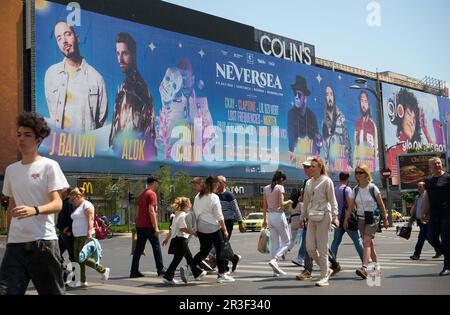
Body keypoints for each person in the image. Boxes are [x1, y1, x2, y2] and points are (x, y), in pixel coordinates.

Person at [0, 112, 69, 295]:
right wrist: (9, 235)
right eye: (19, 134)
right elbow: (13, 208)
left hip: (43, 242)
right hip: (15, 244)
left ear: (38, 139)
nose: (21, 139)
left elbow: (57, 204)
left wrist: (34, 210)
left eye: (27, 135)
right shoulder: (11, 171)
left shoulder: (49, 166)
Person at [45, 21, 107, 131]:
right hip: (59, 146)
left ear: (77, 39)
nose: (64, 41)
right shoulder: (51, 74)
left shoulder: (97, 79)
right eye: (59, 38)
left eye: (67, 34)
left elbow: (101, 124)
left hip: (86, 147)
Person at [156, 59, 214, 161]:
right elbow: (163, 134)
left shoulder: (202, 103)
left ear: (193, 78)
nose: (183, 82)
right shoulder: (172, 102)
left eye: (185, 77)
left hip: (197, 160)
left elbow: (211, 134)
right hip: (175, 160)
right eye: (180, 78)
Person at [109, 32, 156, 156]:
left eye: (124, 53)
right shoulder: (124, 87)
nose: (120, 59)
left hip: (130, 159)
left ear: (133, 55)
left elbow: (147, 133)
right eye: (118, 53)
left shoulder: (138, 90)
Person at [299, 157, 339, 287]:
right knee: (310, 248)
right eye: (309, 166)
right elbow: (305, 201)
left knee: (322, 248)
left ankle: (324, 277)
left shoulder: (326, 181)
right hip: (312, 216)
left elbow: (332, 200)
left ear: (320, 167)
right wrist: (301, 217)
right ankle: (326, 269)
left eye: (313, 166)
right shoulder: (309, 183)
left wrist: (335, 216)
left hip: (324, 216)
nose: (310, 168)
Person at [344, 165, 388, 280]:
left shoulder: (372, 188)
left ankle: (364, 267)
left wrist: (386, 219)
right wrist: (346, 219)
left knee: (366, 241)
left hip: (373, 218)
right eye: (357, 173)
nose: (358, 175)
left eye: (361, 172)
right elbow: (351, 206)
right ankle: (376, 270)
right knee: (369, 245)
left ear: (366, 174)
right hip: (361, 219)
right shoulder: (356, 190)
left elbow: (382, 204)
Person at [385, 88, 435, 185]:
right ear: (401, 114)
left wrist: (425, 130)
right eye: (408, 114)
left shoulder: (420, 148)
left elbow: (437, 155)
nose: (412, 121)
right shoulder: (392, 151)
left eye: (414, 118)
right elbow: (395, 182)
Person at [190, 176, 235, 283]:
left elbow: (195, 213)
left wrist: (196, 228)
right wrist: (224, 229)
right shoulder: (214, 197)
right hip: (213, 228)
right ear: (213, 185)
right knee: (221, 251)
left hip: (201, 228)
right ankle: (221, 275)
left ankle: (191, 266)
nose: (217, 187)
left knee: (204, 251)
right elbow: (219, 215)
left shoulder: (198, 196)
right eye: (217, 185)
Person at [69, 187, 110, 287]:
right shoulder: (79, 207)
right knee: (78, 259)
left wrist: (89, 233)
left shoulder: (87, 205)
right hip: (78, 236)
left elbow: (91, 219)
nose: (72, 201)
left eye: (73, 199)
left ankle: (103, 270)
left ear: (79, 196)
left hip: (85, 235)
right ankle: (83, 281)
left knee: (82, 257)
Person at [130, 176, 165, 278]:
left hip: (140, 226)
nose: (158, 185)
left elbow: (137, 210)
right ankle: (160, 269)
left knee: (138, 249)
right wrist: (156, 227)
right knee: (156, 247)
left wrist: (136, 223)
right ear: (154, 182)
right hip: (149, 226)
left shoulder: (141, 195)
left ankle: (134, 271)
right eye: (157, 183)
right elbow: (151, 210)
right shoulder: (152, 194)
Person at [421, 157, 450, 276]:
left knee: (446, 239)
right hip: (433, 213)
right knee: (431, 237)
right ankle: (444, 251)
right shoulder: (428, 180)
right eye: (434, 164)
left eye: (438, 163)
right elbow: (427, 197)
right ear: (430, 167)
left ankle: (447, 266)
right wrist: (423, 212)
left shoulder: (448, 178)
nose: (437, 165)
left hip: (447, 213)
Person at [262, 170, 292, 276]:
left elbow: (264, 206)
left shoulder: (266, 188)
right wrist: (289, 201)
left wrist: (264, 220)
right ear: (281, 179)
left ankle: (275, 271)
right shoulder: (280, 188)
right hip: (279, 215)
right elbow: (281, 203)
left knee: (275, 243)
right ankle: (275, 259)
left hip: (270, 217)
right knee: (287, 242)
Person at [287, 75, 322, 164]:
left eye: (299, 95)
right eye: (295, 94)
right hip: (297, 159)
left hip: (311, 159)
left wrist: (314, 140)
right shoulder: (291, 114)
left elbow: (318, 137)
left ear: (305, 98)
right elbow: (291, 138)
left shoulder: (312, 115)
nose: (296, 97)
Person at [162, 197, 196, 285]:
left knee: (182, 258)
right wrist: (193, 232)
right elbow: (182, 228)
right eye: (190, 203)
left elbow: (171, 229)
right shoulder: (183, 215)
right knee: (184, 258)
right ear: (186, 205)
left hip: (176, 239)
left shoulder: (176, 215)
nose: (191, 204)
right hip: (180, 240)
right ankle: (197, 273)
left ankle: (168, 277)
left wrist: (167, 239)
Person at [331, 172, 364, 261]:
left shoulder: (334, 189)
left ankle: (332, 262)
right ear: (348, 179)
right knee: (357, 241)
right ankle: (365, 261)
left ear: (339, 178)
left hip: (338, 219)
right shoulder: (347, 189)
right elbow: (351, 205)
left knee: (335, 242)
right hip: (348, 219)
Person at [216, 176, 245, 273]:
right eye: (216, 182)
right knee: (220, 245)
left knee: (223, 244)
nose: (217, 183)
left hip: (228, 223)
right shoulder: (214, 195)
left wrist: (240, 223)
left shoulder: (229, 195)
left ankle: (224, 268)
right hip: (217, 223)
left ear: (224, 183)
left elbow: (236, 209)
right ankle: (233, 259)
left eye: (219, 182)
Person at [322, 85, 352, 172]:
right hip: (331, 167)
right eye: (327, 95)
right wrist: (326, 163)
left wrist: (349, 163)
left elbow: (347, 141)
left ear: (334, 97)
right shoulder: (324, 121)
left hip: (343, 163)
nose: (329, 97)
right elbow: (325, 144)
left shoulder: (341, 117)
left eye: (331, 94)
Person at [409, 181, 442, 260]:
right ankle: (440, 250)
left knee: (421, 237)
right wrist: (410, 220)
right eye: (418, 186)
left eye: (420, 186)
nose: (418, 188)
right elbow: (415, 210)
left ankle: (416, 254)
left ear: (424, 187)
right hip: (419, 220)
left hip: (427, 220)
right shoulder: (417, 197)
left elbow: (431, 208)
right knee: (430, 238)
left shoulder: (428, 196)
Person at [354, 91, 378, 172]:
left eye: (365, 101)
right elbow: (355, 145)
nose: (363, 104)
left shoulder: (372, 124)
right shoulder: (357, 123)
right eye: (361, 101)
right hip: (359, 165)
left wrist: (374, 167)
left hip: (369, 166)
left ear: (368, 104)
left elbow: (376, 147)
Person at [56, 187, 76, 262]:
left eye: (62, 191)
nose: (60, 192)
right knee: (57, 253)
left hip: (67, 234)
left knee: (72, 256)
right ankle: (63, 269)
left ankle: (76, 272)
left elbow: (72, 217)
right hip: (62, 233)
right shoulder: (63, 202)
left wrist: (69, 229)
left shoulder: (69, 203)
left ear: (67, 192)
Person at [287, 188, 302, 253]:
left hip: (293, 221)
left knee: (293, 239)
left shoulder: (291, 205)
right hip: (299, 221)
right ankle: (302, 252)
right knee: (303, 238)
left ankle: (286, 250)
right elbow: (303, 213)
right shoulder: (300, 204)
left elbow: (289, 212)